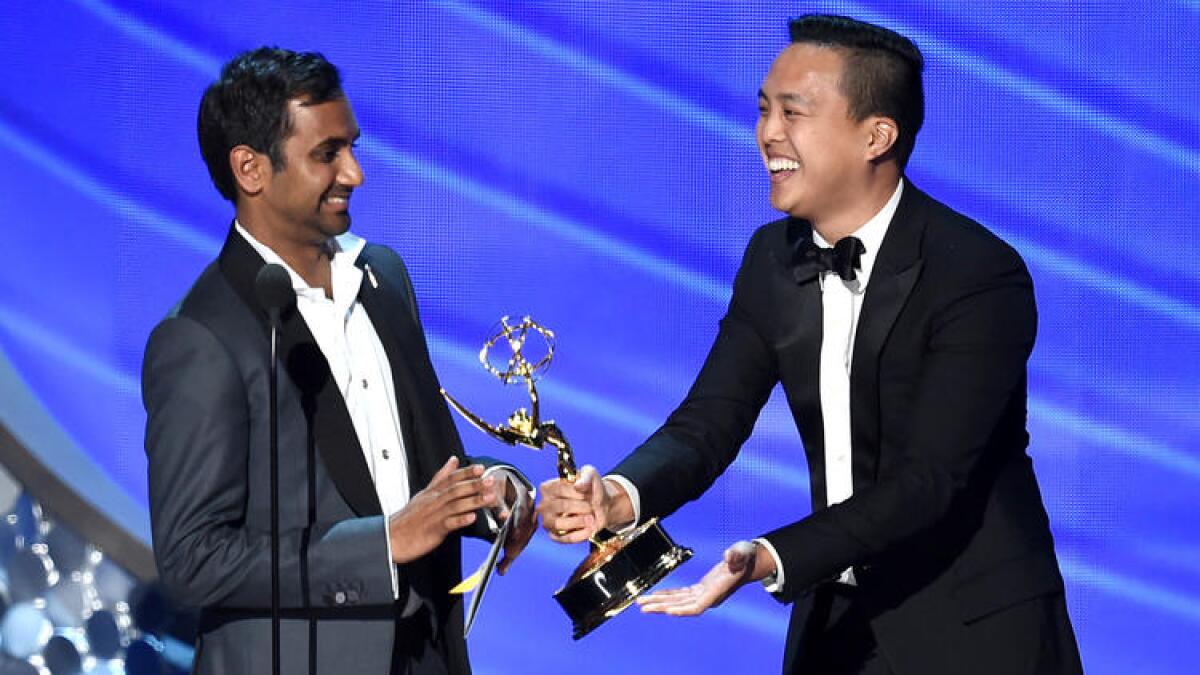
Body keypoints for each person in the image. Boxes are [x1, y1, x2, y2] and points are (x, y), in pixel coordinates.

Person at [537, 15, 1082, 675]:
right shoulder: (773, 257)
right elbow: (710, 418)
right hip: (837, 630)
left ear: (876, 135)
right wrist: (623, 494)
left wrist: (770, 554)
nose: (768, 133)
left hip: (974, 633)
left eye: (794, 113)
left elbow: (929, 480)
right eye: (764, 110)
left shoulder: (975, 273)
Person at [143, 47, 535, 675]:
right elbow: (193, 559)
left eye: (352, 147)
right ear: (250, 169)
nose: (354, 173)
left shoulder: (381, 275)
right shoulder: (201, 336)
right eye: (327, 154)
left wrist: (491, 488)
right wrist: (383, 544)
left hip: (428, 651)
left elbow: (427, 461)